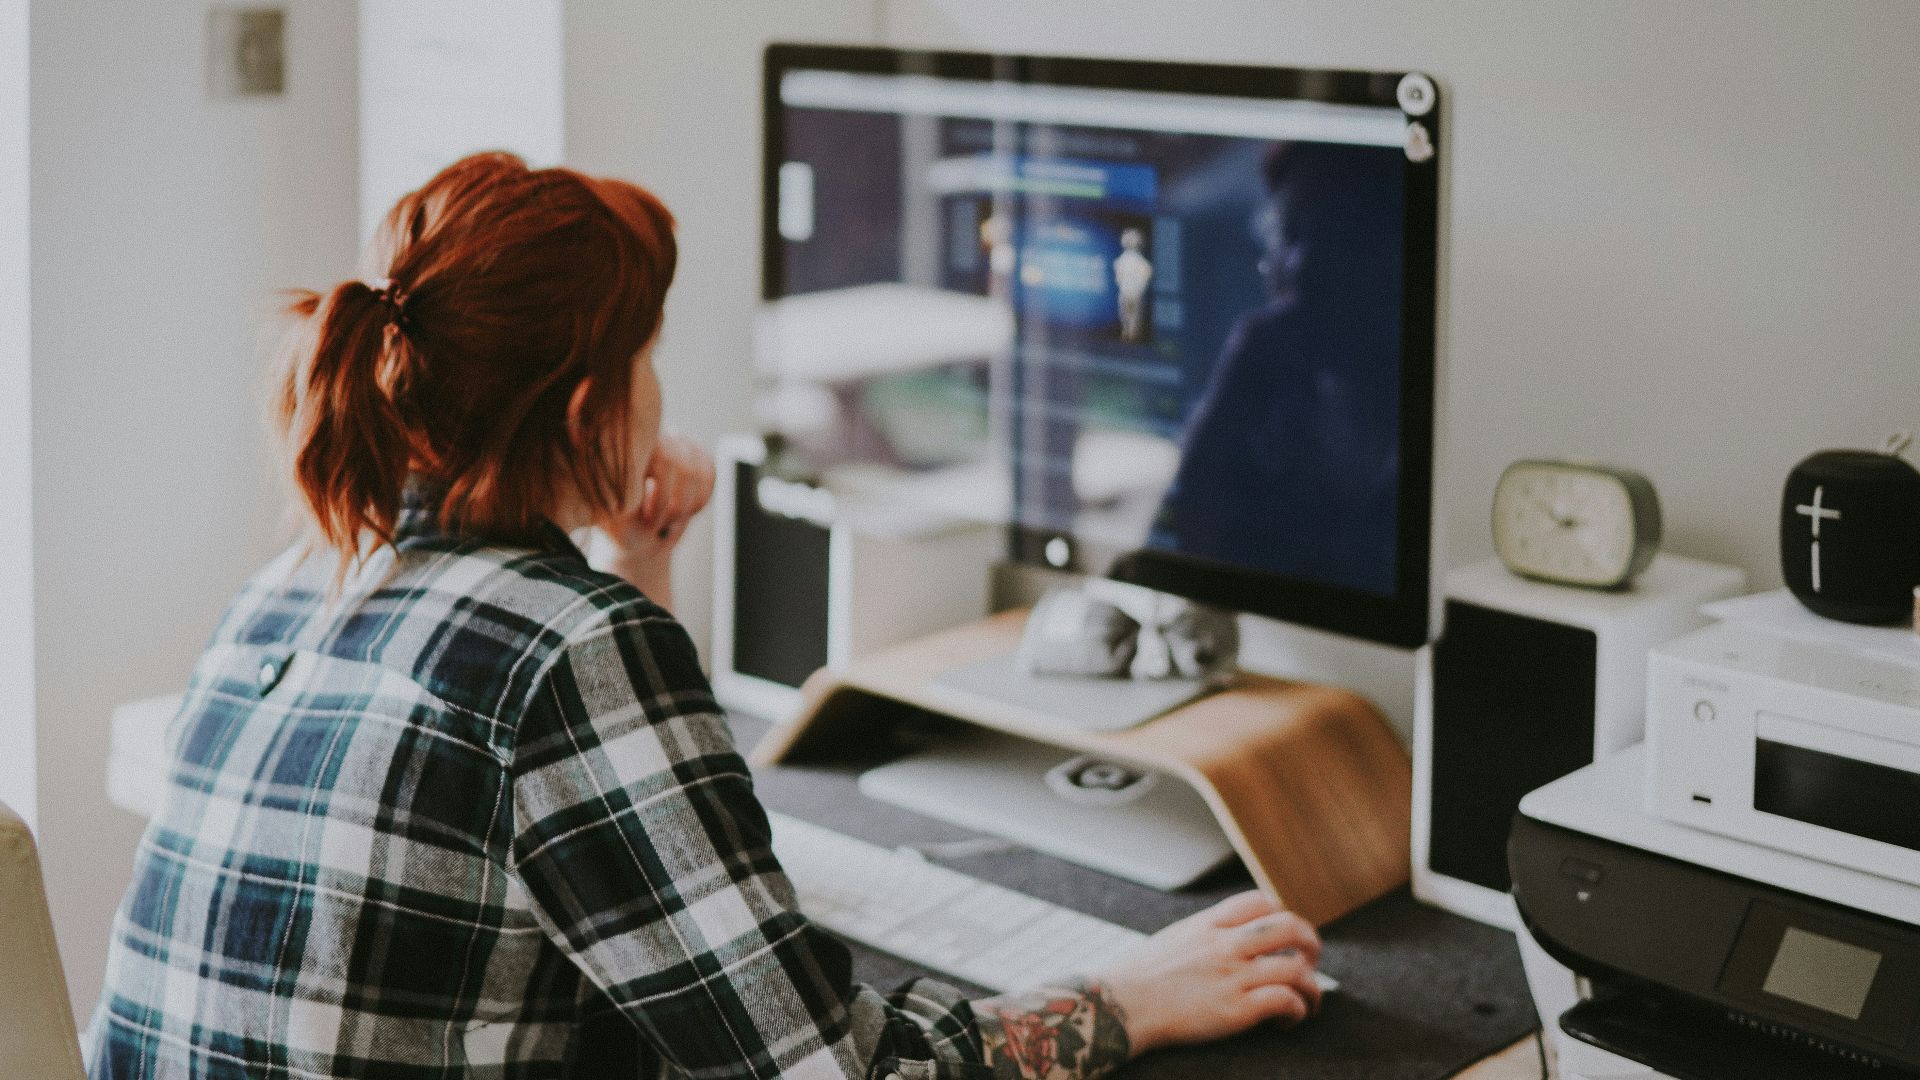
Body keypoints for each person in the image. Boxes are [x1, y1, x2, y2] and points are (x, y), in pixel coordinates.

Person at [84, 152, 1326, 1080]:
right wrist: (1131, 997)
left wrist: (631, 563)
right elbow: (833, 1073)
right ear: (588, 412)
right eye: (649, 352)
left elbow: (613, 869)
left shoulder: (297, 580)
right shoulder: (567, 647)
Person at [1158, 141, 1405, 595]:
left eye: (1335, 233)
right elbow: (1182, 527)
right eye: (1288, 234)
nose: (1303, 264)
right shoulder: (1266, 362)